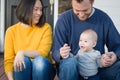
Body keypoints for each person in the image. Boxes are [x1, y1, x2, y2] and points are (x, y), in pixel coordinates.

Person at [52, 0, 120, 80]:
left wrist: (115, 56)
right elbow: (55, 52)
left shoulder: (103, 19)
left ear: (92, 2)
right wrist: (61, 54)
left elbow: (117, 46)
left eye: (85, 10)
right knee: (70, 63)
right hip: (71, 70)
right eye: (77, 10)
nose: (81, 14)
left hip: (97, 69)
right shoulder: (64, 19)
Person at [4, 0, 56, 80]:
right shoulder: (11, 31)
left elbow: (43, 52)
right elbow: (8, 61)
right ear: (25, 9)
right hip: (22, 72)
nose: (40, 13)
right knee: (23, 60)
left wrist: (22, 52)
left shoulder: (46, 28)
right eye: (36, 9)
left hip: (42, 71)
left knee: (39, 61)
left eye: (41, 9)